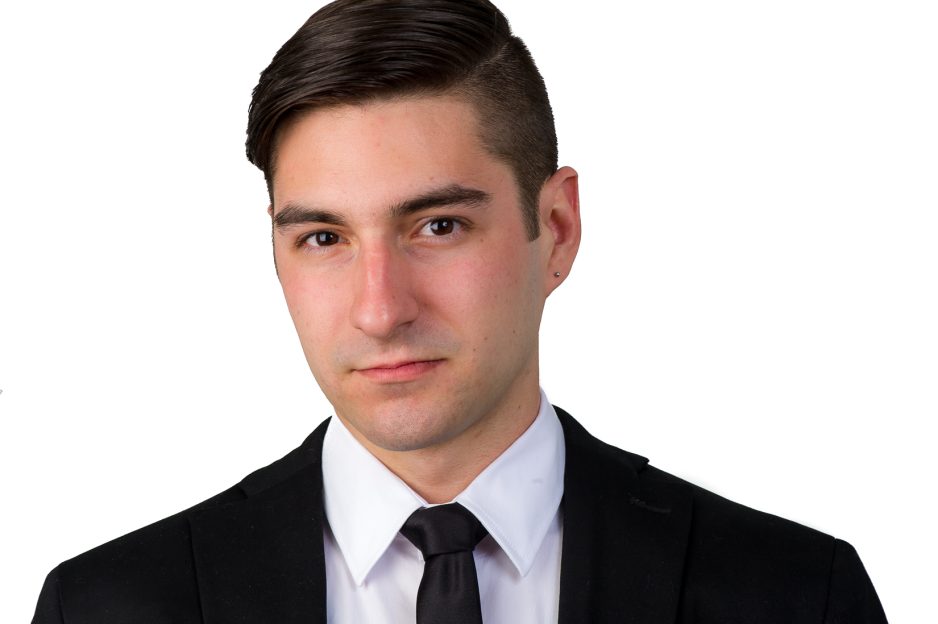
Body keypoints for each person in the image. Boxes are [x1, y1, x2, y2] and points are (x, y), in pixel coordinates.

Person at [32, 1, 888, 622]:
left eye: (438, 226)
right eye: (324, 238)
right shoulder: (109, 605)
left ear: (554, 231)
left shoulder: (794, 596)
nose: (379, 309)